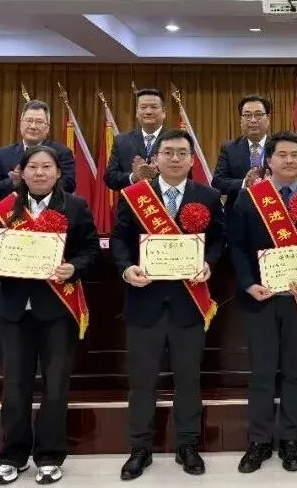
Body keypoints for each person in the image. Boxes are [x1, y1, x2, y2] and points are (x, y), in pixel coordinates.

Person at [110, 129, 226, 481]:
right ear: (155, 158)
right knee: (142, 381)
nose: (175, 159)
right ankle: (139, 448)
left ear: (192, 160)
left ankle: (188, 445)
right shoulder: (135, 196)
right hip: (144, 301)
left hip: (188, 303)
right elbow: (119, 239)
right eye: (168, 152)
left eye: (182, 153)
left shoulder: (207, 196)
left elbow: (218, 239)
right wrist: (126, 268)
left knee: (188, 379)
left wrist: (209, 263)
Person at [0, 145, 99, 485]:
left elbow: (90, 250)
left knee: (56, 386)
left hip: (57, 310)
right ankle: (12, 456)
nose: (40, 173)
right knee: (15, 386)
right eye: (33, 167)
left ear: (58, 173)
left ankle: (49, 456)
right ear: (22, 172)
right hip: (15, 311)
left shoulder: (75, 206)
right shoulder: (6, 207)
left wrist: (74, 267)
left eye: (47, 167)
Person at [229, 131, 297, 474]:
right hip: (262, 299)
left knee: (295, 372)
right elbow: (237, 246)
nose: (290, 160)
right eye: (282, 155)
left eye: (295, 155)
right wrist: (249, 284)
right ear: (269, 161)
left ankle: (290, 439)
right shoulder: (250, 199)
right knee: (261, 372)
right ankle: (259, 441)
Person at [0, 100, 75, 202]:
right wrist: (14, 181)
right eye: (29, 120)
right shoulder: (3, 154)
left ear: (47, 127)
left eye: (39, 122)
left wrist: (39, 183)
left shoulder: (62, 152)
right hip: (14, 211)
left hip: (50, 210)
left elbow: (69, 186)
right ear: (20, 123)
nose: (33, 126)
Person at [211, 94, 272, 222]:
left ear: (268, 118)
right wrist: (244, 183)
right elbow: (218, 182)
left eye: (258, 115)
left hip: (272, 214)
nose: (253, 120)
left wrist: (273, 183)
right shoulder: (229, 148)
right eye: (247, 115)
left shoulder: (278, 147)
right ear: (241, 120)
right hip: (237, 217)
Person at [104, 88, 171, 191]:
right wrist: (134, 177)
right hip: (131, 200)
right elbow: (110, 178)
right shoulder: (121, 141)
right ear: (137, 112)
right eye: (143, 107)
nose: (148, 112)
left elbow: (185, 178)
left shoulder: (176, 140)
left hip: (164, 201)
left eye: (154, 107)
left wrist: (159, 173)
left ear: (164, 112)